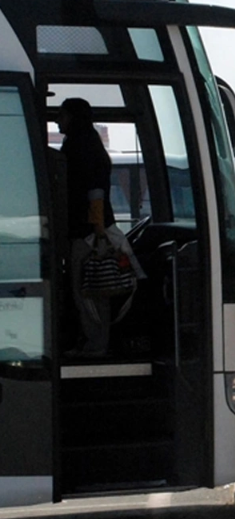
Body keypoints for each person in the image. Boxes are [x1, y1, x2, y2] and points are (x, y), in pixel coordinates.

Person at [60, 97, 116, 358]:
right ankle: (92, 341)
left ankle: (96, 344)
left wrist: (97, 230)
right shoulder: (90, 143)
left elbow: (94, 192)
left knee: (88, 290)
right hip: (91, 228)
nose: (59, 121)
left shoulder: (78, 146)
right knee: (90, 290)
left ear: (73, 117)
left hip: (87, 231)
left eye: (62, 115)